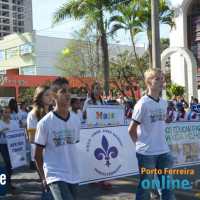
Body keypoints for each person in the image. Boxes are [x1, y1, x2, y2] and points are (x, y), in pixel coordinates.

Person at [128, 68, 175, 200]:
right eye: (157, 79)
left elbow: (158, 121)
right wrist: (139, 145)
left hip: (164, 152)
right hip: (146, 153)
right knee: (145, 189)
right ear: (149, 82)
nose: (161, 81)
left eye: (162, 78)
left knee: (168, 188)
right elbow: (131, 129)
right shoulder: (142, 104)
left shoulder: (163, 103)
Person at [34, 77, 81, 200]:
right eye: (63, 91)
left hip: (73, 175)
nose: (68, 94)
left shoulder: (76, 121)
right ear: (54, 95)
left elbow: (73, 146)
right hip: (55, 175)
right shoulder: (45, 123)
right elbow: (37, 155)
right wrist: (44, 178)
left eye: (69, 91)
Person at [26, 85, 54, 199]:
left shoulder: (54, 112)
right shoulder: (33, 114)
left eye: (50, 94)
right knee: (47, 188)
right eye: (47, 95)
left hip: (55, 155)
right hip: (41, 157)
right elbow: (32, 139)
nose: (50, 97)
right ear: (39, 97)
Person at [83, 82, 112, 188]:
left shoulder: (103, 102)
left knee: (103, 155)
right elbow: (84, 115)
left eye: (100, 88)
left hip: (102, 131)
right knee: (93, 155)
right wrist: (90, 109)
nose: (99, 90)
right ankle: (92, 178)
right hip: (92, 131)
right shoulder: (88, 101)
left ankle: (102, 179)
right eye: (97, 88)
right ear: (92, 90)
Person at [0, 106, 19, 190]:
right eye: (5, 112)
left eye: (9, 112)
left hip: (13, 146)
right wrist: (2, 131)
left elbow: (19, 134)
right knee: (7, 162)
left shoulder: (14, 122)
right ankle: (4, 182)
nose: (7, 114)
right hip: (3, 145)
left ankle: (8, 182)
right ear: (1, 113)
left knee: (11, 165)